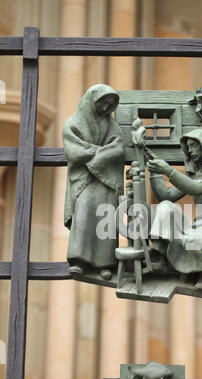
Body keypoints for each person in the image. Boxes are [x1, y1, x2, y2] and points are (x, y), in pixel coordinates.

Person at [146, 127, 202, 290]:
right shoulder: (193, 176)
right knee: (165, 207)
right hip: (196, 223)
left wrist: (168, 171)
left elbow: (196, 189)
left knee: (199, 237)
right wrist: (155, 172)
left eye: (194, 145)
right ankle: (160, 257)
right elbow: (166, 197)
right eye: (188, 147)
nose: (190, 150)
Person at [63, 84, 125, 280]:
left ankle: (105, 263)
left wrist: (95, 153)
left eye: (110, 105)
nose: (106, 108)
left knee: (106, 214)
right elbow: (74, 151)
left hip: (106, 181)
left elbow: (118, 148)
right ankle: (79, 261)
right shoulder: (72, 124)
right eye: (103, 103)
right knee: (84, 211)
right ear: (92, 101)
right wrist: (100, 152)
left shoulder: (111, 125)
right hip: (84, 180)